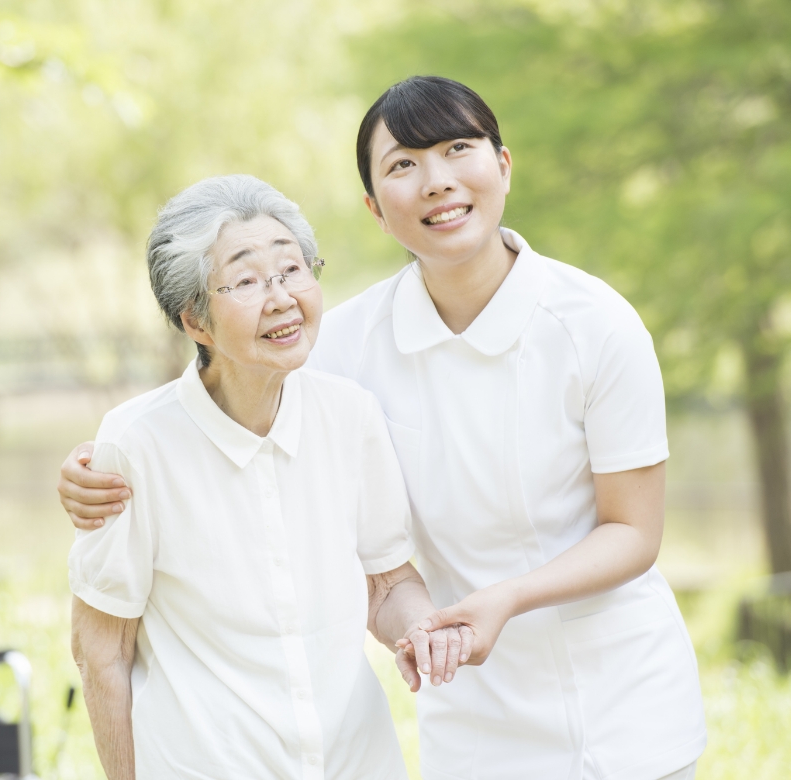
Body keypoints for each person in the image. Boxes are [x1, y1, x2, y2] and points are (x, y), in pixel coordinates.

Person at [59, 77, 707, 780]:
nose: (437, 181)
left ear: (504, 165)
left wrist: (507, 597)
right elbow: (234, 387)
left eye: (459, 149)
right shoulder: (345, 343)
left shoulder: (596, 325)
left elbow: (635, 532)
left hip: (621, 703)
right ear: (374, 208)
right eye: (403, 165)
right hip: (468, 705)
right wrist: (93, 467)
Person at [69, 174, 469, 780]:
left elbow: (385, 583)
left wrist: (420, 629)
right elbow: (102, 651)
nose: (281, 297)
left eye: (292, 270)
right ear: (195, 323)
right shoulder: (135, 444)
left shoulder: (349, 413)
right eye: (248, 281)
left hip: (355, 763)